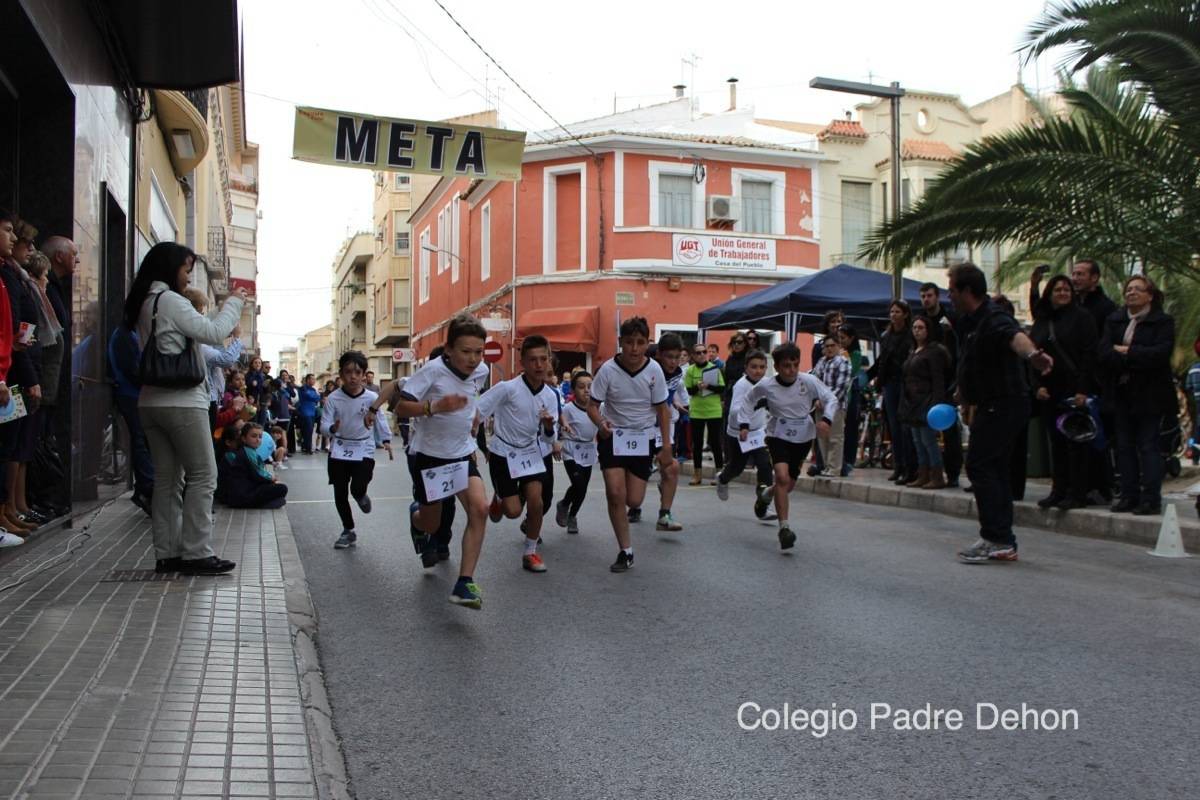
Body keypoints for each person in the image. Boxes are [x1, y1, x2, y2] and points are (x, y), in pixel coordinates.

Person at [127, 242, 246, 575]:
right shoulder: (171, 302)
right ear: (170, 268)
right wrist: (235, 302)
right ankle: (196, 553)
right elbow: (213, 332)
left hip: (150, 402)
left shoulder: (145, 301)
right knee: (204, 476)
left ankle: (167, 554)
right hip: (183, 402)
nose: (188, 277)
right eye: (186, 270)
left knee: (167, 480)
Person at [949, 263, 1053, 564]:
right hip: (995, 402)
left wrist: (1033, 355)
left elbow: (1015, 337)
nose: (949, 295)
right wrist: (963, 390)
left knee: (981, 465)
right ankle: (1001, 538)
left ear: (967, 290)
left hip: (1004, 403)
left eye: (953, 290)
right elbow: (973, 360)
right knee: (993, 469)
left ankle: (996, 537)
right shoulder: (972, 320)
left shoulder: (994, 317)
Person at [389, 315, 491, 607]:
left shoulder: (481, 371)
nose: (473, 359)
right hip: (430, 458)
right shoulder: (432, 372)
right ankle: (416, 518)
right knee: (432, 525)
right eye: (466, 351)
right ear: (449, 349)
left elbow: (471, 401)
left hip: (461, 453)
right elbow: (399, 407)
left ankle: (464, 583)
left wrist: (471, 427)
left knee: (480, 508)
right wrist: (435, 406)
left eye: (478, 351)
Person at [587, 316, 674, 573]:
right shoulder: (608, 370)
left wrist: (665, 445)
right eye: (629, 343)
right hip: (613, 436)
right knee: (615, 494)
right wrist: (601, 424)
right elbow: (592, 406)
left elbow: (663, 410)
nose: (634, 349)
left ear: (647, 344)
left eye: (639, 343)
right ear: (620, 343)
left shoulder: (654, 371)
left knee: (633, 500)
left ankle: (633, 507)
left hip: (642, 438)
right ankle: (626, 551)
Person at [738, 342, 838, 550]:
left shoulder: (808, 381)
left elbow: (831, 398)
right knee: (782, 477)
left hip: (803, 437)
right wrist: (744, 424)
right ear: (777, 366)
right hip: (778, 435)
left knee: (788, 485)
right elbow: (748, 401)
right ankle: (784, 529)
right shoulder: (767, 385)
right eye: (786, 366)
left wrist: (826, 420)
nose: (791, 370)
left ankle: (765, 496)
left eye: (795, 364)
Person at [475, 335, 560, 572]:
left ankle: (530, 552)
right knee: (512, 512)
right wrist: (473, 446)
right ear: (522, 361)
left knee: (537, 503)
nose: (539, 365)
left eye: (544, 359)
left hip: (532, 454)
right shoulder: (506, 389)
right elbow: (477, 413)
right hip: (503, 454)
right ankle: (500, 499)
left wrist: (549, 427)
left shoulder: (551, 395)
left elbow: (549, 439)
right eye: (533, 360)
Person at [1099, 274, 1176, 516]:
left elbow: (1159, 355)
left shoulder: (1162, 322)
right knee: (1123, 446)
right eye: (1129, 289)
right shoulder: (1115, 320)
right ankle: (1129, 495)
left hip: (1150, 394)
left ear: (1149, 295)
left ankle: (1150, 498)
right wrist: (1130, 356)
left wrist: (1127, 352)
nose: (1131, 293)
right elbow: (1104, 353)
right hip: (1121, 393)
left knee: (1148, 445)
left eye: (1137, 289)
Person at [1029, 275, 1098, 510]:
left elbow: (1089, 355)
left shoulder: (1082, 318)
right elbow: (1032, 355)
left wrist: (1082, 390)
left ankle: (1077, 492)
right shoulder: (1043, 320)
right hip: (1049, 389)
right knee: (1056, 443)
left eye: (1066, 289)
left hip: (1073, 388)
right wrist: (1037, 385)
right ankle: (1058, 490)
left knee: (1075, 443)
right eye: (1057, 290)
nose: (1062, 293)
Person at [320, 351, 392, 549]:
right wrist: (332, 428)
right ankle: (348, 529)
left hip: (364, 447)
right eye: (348, 372)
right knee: (340, 492)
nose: (353, 376)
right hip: (339, 448)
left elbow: (380, 418)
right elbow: (323, 425)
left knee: (357, 487)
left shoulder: (372, 397)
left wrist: (385, 439)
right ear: (341, 374)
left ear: (363, 375)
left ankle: (361, 495)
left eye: (357, 372)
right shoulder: (333, 398)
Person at [716, 348, 773, 519]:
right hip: (739, 432)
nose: (758, 371)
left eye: (762, 367)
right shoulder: (741, 385)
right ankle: (723, 479)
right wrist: (756, 405)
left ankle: (762, 506)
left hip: (758, 432)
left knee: (765, 465)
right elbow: (734, 410)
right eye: (754, 367)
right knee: (737, 467)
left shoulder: (768, 383)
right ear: (746, 368)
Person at [917, 282, 963, 487]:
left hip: (947, 381)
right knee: (922, 431)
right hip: (924, 384)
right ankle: (927, 472)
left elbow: (958, 350)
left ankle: (952, 473)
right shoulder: (920, 320)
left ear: (937, 297)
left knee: (950, 428)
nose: (926, 299)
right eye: (923, 296)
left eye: (929, 295)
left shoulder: (949, 319)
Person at [107, 322, 153, 514]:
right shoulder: (125, 334)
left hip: (135, 393)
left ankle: (145, 487)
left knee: (143, 440)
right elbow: (131, 369)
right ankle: (146, 487)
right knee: (140, 439)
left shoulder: (131, 333)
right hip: (130, 393)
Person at [900, 317, 951, 489]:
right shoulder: (913, 351)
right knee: (917, 440)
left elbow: (938, 379)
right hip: (912, 401)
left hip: (927, 400)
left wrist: (936, 402)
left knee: (928, 439)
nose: (917, 331)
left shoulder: (933, 351)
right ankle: (923, 474)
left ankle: (937, 475)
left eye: (921, 327)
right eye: (914, 327)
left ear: (928, 330)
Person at [869, 301, 916, 484]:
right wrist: (873, 378)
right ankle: (899, 466)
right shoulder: (886, 336)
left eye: (897, 311)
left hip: (906, 384)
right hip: (890, 384)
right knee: (894, 428)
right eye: (892, 311)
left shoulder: (910, 335)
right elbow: (882, 361)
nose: (893, 314)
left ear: (905, 314)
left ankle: (910, 468)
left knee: (906, 428)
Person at [647, 335, 686, 531]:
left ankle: (664, 515)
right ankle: (634, 506)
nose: (673, 362)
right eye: (669, 357)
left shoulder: (678, 373)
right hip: (641, 427)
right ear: (659, 355)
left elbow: (670, 394)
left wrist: (675, 402)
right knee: (635, 486)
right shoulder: (648, 370)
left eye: (677, 357)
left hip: (662, 426)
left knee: (672, 467)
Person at [555, 371, 597, 535]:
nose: (586, 390)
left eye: (590, 387)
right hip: (571, 450)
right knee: (578, 484)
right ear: (573, 390)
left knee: (583, 488)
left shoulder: (597, 407)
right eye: (581, 387)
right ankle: (564, 504)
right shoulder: (568, 409)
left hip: (588, 450)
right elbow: (559, 422)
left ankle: (572, 516)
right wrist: (559, 437)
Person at [219, 423, 289, 509]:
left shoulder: (248, 451)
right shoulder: (246, 452)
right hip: (241, 496)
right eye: (254, 436)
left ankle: (267, 502)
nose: (258, 439)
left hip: (243, 491)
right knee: (282, 488)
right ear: (244, 438)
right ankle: (261, 503)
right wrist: (272, 479)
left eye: (260, 437)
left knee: (276, 491)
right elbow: (258, 473)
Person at [684, 341, 725, 485]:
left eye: (704, 352)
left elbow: (722, 388)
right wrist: (697, 387)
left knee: (715, 443)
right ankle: (697, 474)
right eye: (698, 353)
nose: (701, 355)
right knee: (697, 443)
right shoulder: (690, 371)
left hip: (713, 411)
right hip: (697, 411)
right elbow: (688, 390)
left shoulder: (714, 368)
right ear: (693, 356)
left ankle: (720, 474)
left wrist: (709, 386)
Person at [810, 336, 851, 478]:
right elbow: (814, 381)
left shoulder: (843, 362)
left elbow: (841, 387)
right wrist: (816, 398)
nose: (829, 348)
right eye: (826, 346)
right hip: (819, 405)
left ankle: (834, 469)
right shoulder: (821, 362)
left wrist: (826, 401)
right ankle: (827, 467)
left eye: (832, 345)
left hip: (836, 407)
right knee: (822, 437)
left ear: (838, 346)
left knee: (835, 438)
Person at [838, 325, 864, 477]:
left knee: (850, 428)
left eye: (843, 338)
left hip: (851, 393)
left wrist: (845, 356)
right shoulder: (837, 351)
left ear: (851, 338)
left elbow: (852, 370)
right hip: (839, 394)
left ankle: (849, 460)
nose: (841, 341)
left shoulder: (855, 353)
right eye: (839, 337)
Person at [296, 374, 321, 454]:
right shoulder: (303, 388)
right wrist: (314, 397)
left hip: (312, 412)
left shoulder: (313, 389)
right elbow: (310, 396)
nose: (314, 381)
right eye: (312, 379)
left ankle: (305, 447)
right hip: (305, 411)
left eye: (314, 379)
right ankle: (308, 448)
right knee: (308, 430)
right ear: (307, 380)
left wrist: (314, 396)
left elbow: (318, 398)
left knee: (309, 430)